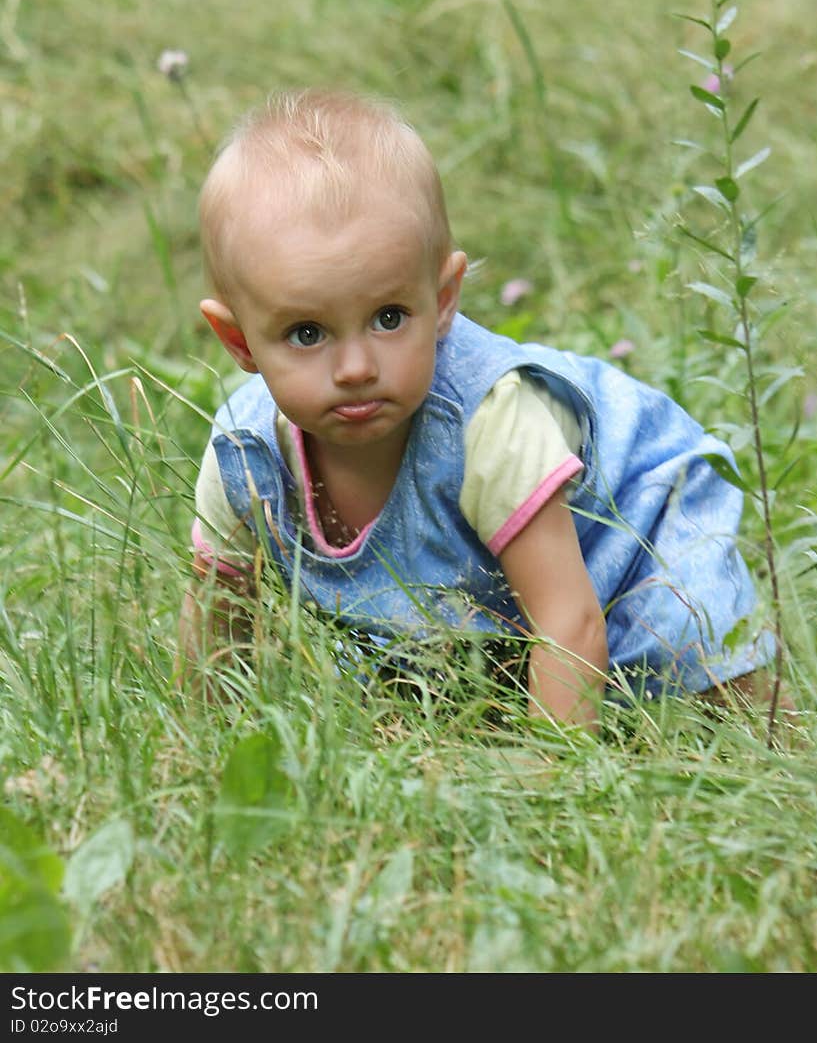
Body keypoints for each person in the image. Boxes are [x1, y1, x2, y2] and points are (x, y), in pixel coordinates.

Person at [180, 87, 778, 732]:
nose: (355, 368)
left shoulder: (490, 419)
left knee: (700, 666)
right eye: (306, 333)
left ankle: (785, 748)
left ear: (443, 300)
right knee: (428, 692)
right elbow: (220, 612)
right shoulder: (246, 452)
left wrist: (551, 778)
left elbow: (567, 617)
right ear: (239, 340)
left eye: (388, 318)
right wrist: (200, 744)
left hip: (632, 520)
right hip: (489, 596)